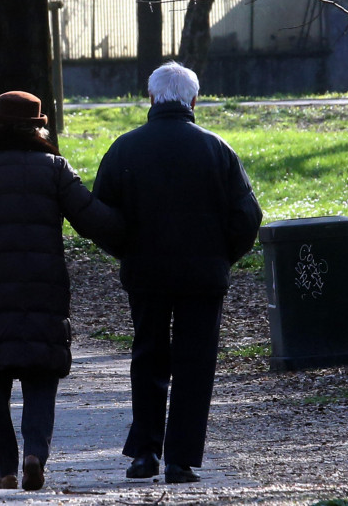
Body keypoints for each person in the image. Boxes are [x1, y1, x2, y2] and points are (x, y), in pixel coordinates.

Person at [0, 91, 124, 491]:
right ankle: (34, 454)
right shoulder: (54, 168)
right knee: (40, 376)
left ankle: (5, 469)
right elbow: (92, 220)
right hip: (42, 289)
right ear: (40, 126)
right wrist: (136, 225)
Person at [92, 62, 262, 484]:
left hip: (145, 272)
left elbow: (100, 215)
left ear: (151, 98)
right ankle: (180, 459)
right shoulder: (217, 149)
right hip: (203, 276)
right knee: (195, 362)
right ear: (193, 100)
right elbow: (248, 215)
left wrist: (125, 252)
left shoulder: (124, 148)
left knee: (147, 355)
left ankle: (144, 453)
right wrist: (224, 256)